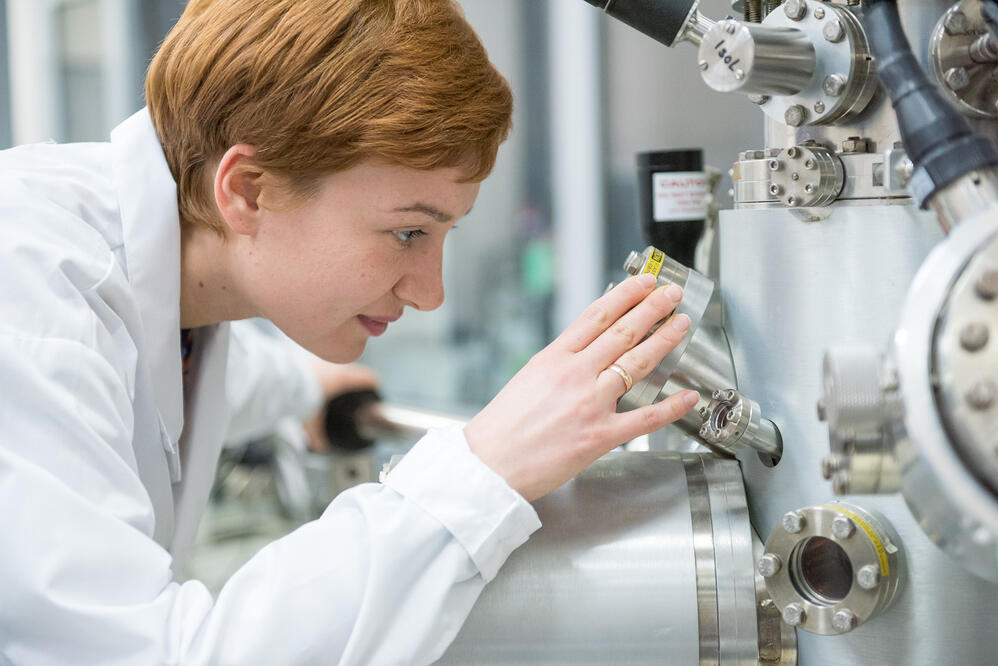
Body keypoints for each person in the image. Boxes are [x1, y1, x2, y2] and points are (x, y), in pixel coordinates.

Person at [0, 0, 699, 663]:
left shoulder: (170, 282)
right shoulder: (32, 297)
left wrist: (312, 388)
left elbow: (219, 376)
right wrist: (482, 471)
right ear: (248, 190)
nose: (431, 294)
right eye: (408, 232)